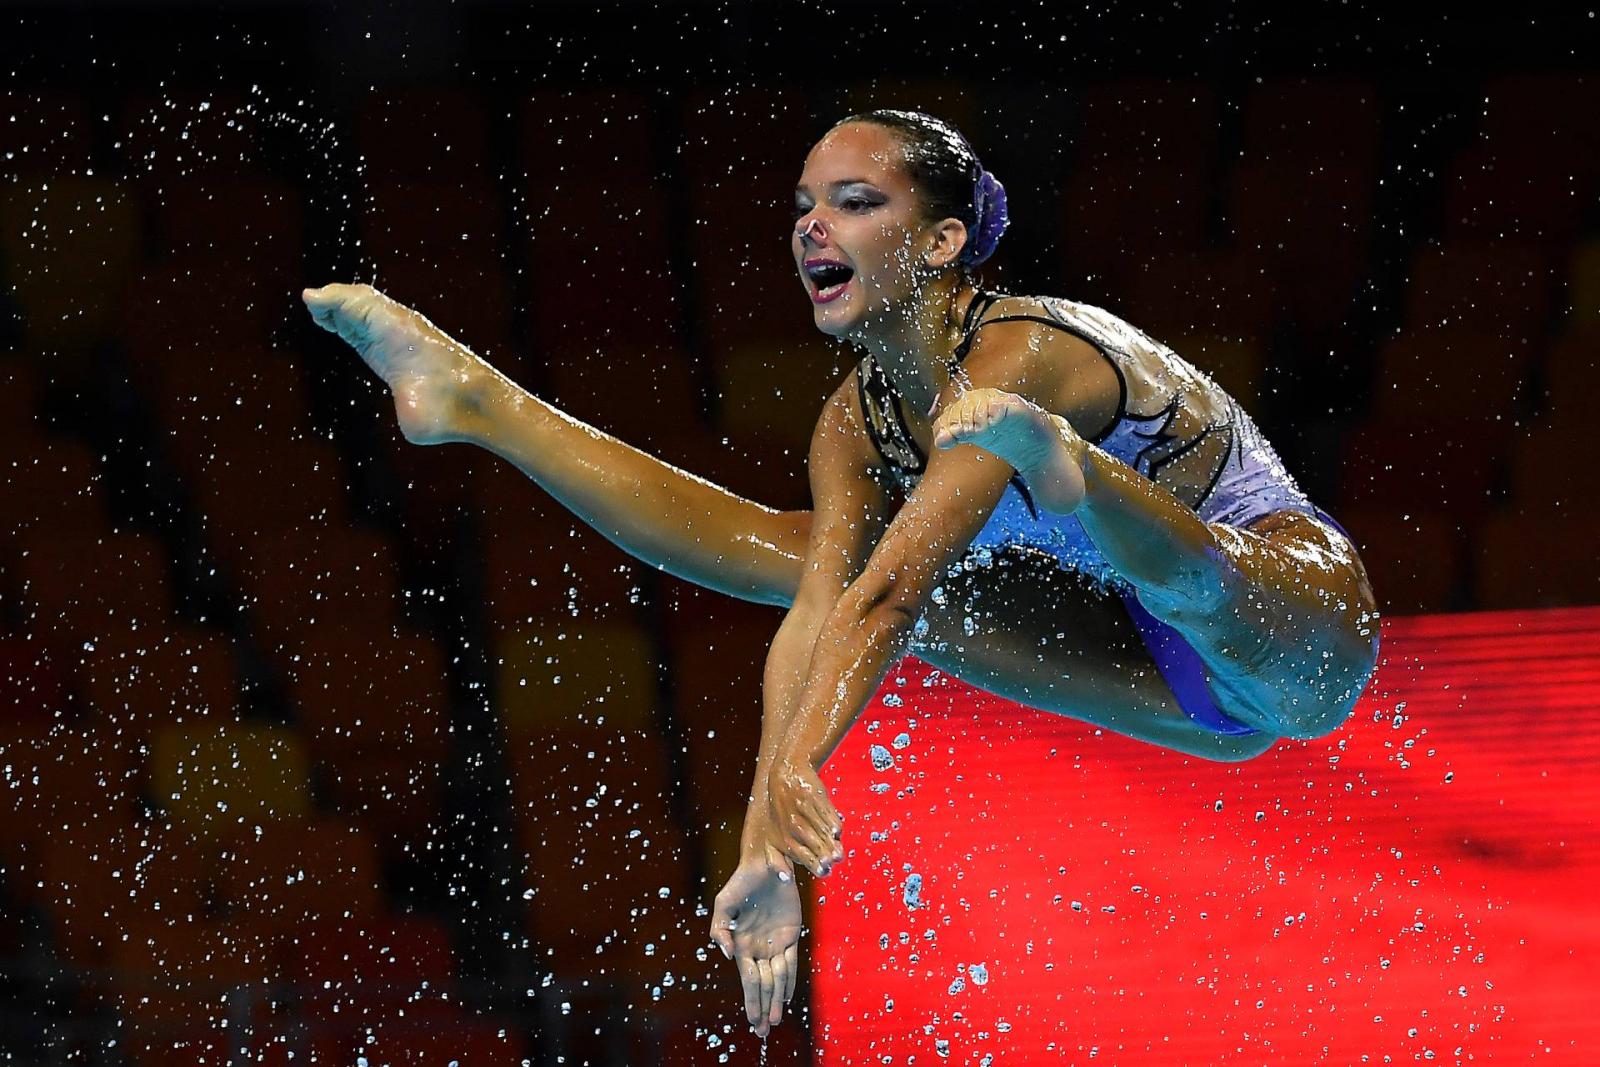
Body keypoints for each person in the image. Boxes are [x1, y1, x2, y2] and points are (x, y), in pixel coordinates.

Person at [302, 108, 1380, 1039]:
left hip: (1298, 616)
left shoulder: (1026, 351)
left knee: (1187, 599)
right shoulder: (853, 425)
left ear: (944, 238)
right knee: (791, 552)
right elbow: (823, 611)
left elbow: (893, 590)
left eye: (854, 200)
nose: (811, 225)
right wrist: (767, 837)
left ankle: (1080, 472)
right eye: (804, 205)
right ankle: (479, 401)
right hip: (1198, 691)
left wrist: (793, 781)